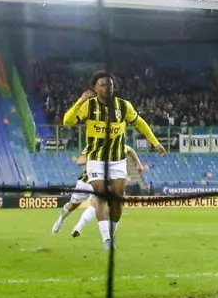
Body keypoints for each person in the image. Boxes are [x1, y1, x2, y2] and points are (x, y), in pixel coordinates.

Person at [62, 71, 165, 250]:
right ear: (95, 88)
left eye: (110, 84)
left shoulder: (123, 107)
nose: (107, 88)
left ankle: (111, 234)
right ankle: (106, 240)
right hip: (96, 160)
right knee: (101, 195)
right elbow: (67, 121)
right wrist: (80, 100)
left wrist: (155, 142)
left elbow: (140, 122)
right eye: (102, 84)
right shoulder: (89, 106)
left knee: (117, 200)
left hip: (117, 160)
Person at [52, 149, 145, 237]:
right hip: (86, 181)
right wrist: (96, 157)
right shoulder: (93, 146)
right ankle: (61, 218)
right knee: (72, 206)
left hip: (103, 182)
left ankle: (78, 228)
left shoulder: (117, 144)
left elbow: (130, 150)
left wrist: (138, 163)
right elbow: (79, 161)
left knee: (97, 204)